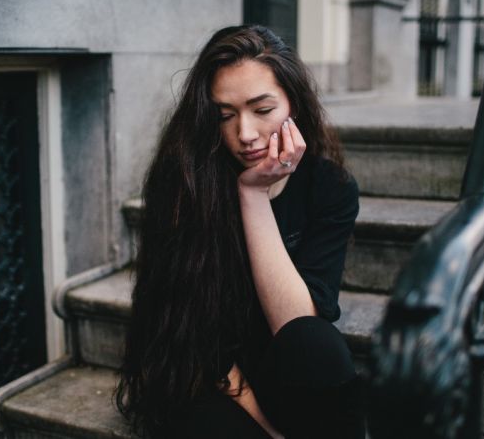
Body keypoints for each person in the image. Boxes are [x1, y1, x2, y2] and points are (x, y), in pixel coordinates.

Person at [115, 25, 362, 438]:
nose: (245, 134)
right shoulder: (186, 183)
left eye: (262, 110)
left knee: (319, 345)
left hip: (280, 366)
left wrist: (254, 195)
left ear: (294, 106)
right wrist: (270, 432)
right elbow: (195, 340)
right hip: (198, 372)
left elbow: (299, 329)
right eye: (225, 115)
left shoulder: (329, 188)